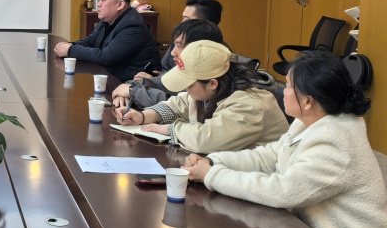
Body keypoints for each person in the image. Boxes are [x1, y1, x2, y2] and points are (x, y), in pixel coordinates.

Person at [182, 51, 387, 228]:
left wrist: (212, 176)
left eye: (287, 86)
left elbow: (283, 191)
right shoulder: (311, 120)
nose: (282, 91)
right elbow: (270, 156)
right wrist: (213, 162)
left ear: (307, 101)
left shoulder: (335, 141)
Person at [116, 40, 289, 153]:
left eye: (189, 84)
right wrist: (142, 116)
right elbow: (179, 104)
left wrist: (170, 129)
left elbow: (205, 140)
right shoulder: (215, 89)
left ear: (212, 83)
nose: (186, 89)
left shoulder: (250, 105)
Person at [53, 0, 160, 82]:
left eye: (103, 0)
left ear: (120, 4)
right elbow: (91, 41)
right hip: (109, 78)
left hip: (131, 84)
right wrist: (70, 45)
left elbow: (107, 57)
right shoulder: (109, 19)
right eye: (98, 0)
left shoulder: (132, 26)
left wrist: (70, 50)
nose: (98, 4)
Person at [112, 19, 224, 110]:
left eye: (180, 46)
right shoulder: (185, 69)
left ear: (200, 49)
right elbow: (159, 82)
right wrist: (127, 89)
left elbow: (178, 105)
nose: (172, 53)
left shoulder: (212, 78)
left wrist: (133, 92)